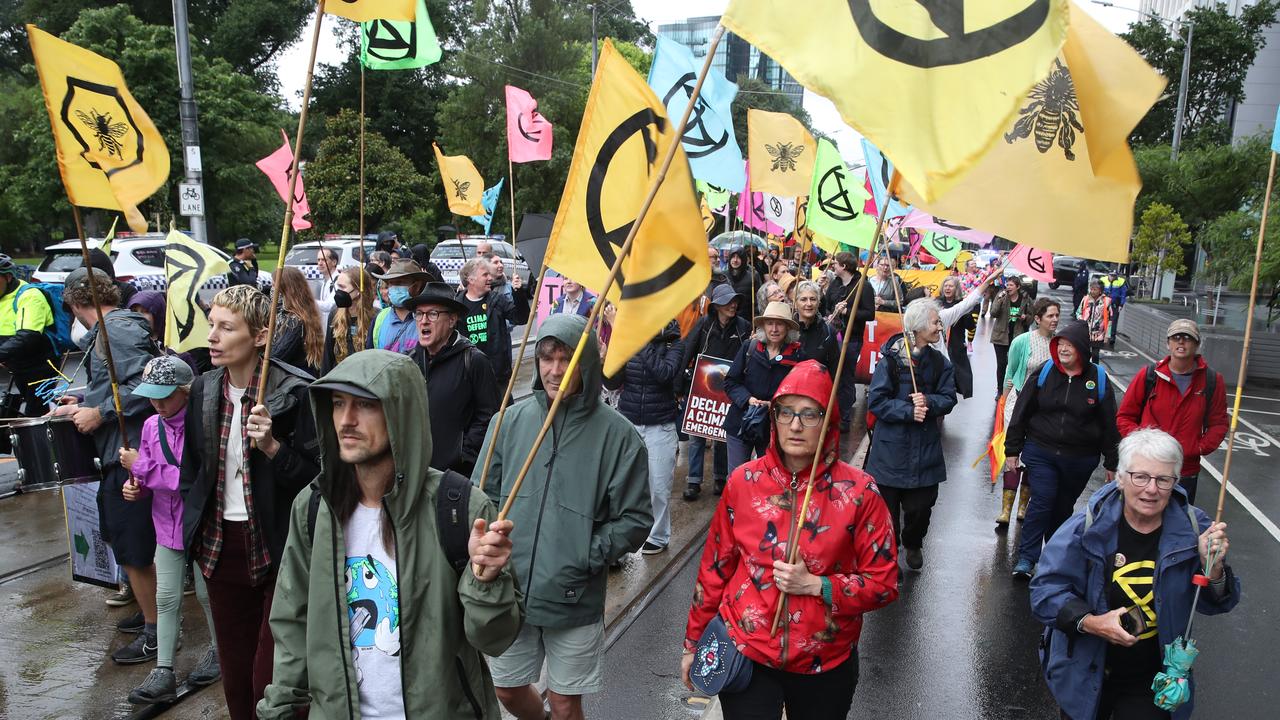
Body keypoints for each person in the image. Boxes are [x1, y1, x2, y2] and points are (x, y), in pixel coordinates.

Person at [258, 350, 523, 719]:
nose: (346, 421)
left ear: (401, 412)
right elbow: (291, 622)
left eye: (365, 405)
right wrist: (280, 708)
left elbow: (495, 639)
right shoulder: (314, 508)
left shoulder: (458, 507)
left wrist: (486, 582)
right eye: (337, 404)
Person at [681, 360, 899, 719]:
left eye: (809, 414)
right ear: (774, 418)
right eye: (785, 413)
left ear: (828, 420)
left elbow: (884, 583)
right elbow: (714, 569)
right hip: (748, 652)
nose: (795, 425)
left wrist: (817, 585)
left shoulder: (861, 493)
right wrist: (693, 643)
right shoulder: (743, 482)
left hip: (826, 662)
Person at [477, 313, 651, 720]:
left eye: (567, 359)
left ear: (586, 363)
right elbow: (481, 496)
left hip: (574, 597)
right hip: (511, 591)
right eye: (547, 358)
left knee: (565, 702)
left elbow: (635, 519)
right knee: (505, 689)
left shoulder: (620, 437)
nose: (555, 370)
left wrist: (585, 555)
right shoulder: (509, 421)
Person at [179, 285, 320, 719]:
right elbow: (193, 471)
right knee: (236, 675)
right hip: (221, 549)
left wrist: (275, 448)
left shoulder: (298, 392)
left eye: (226, 327)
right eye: (212, 326)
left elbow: (320, 479)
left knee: (271, 677)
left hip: (279, 550)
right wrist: (195, 532)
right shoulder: (203, 389)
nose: (213, 337)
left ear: (260, 336)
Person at [1030, 429, 1239, 720]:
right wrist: (1091, 622)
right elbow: (1045, 591)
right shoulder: (1086, 527)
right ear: (1120, 477)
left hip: (1152, 679)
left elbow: (1216, 603)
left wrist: (1213, 567)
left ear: (1175, 482)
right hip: (1087, 670)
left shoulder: (1195, 529)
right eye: (1140, 477)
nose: (1151, 489)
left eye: (1163, 479)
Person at [53, 267, 158, 662]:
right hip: (117, 450)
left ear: (76, 303)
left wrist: (99, 412)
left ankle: (157, 634)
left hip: (130, 454)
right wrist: (84, 403)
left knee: (133, 547)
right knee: (122, 538)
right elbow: (116, 384)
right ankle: (153, 616)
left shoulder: (117, 330)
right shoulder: (111, 329)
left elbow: (147, 387)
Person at [119, 356, 220, 704]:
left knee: (208, 595)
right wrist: (135, 487)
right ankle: (163, 669)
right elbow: (148, 482)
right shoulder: (150, 427)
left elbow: (194, 481)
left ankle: (220, 651)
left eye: (166, 396)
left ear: (185, 392)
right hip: (166, 526)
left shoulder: (203, 423)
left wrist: (142, 468)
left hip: (202, 524)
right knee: (166, 597)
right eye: (152, 397)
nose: (158, 404)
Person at [1004, 320, 1120, 580]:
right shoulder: (1045, 373)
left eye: (1070, 345)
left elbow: (1109, 424)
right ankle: (1027, 558)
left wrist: (1112, 462)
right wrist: (1012, 449)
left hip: (1079, 458)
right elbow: (1021, 412)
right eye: (1061, 344)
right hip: (1041, 451)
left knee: (1062, 507)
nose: (1064, 349)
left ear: (1082, 349)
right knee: (1042, 501)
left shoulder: (1098, 379)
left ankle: (1053, 558)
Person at [864, 298, 957, 570]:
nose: (940, 327)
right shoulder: (891, 360)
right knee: (887, 515)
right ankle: (890, 561)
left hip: (924, 453)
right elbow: (877, 402)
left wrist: (927, 401)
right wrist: (907, 410)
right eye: (935, 322)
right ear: (917, 327)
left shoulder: (940, 363)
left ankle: (914, 542)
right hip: (890, 453)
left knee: (920, 510)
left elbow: (949, 398)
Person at [1116, 319, 1228, 506]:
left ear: (1197, 344)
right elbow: (1125, 416)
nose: (1181, 342)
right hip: (1146, 468)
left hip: (1185, 470)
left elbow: (1219, 423)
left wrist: (1198, 448)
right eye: (1176, 337)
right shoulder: (1149, 375)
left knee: (1177, 524)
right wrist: (1141, 445)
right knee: (1140, 519)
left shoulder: (1212, 380)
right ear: (1168, 343)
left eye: (1188, 338)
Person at [407, 282, 499, 474]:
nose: (424, 321)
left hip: (455, 475)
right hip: (415, 471)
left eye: (433, 314)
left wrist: (463, 455)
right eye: (419, 314)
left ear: (451, 320)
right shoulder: (409, 362)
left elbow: (488, 416)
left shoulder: (474, 360)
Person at [612, 319, 683, 555]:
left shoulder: (675, 345)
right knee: (623, 484)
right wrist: (607, 358)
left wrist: (637, 340)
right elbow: (612, 381)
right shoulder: (629, 341)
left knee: (658, 486)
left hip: (660, 426)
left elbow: (664, 374)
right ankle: (620, 541)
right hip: (630, 422)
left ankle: (659, 535)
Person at [680, 284, 750, 500]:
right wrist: (680, 387)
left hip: (729, 389)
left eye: (735, 301)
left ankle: (720, 478)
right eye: (729, 301)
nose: (733, 305)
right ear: (717, 305)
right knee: (697, 436)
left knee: (722, 435)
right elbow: (687, 351)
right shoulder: (703, 325)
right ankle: (693, 481)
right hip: (702, 388)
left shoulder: (744, 327)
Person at [998, 297, 1061, 526]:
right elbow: (1010, 372)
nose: (1054, 320)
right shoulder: (1022, 341)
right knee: (1012, 453)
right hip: (1018, 403)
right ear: (1038, 319)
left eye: (1056, 315)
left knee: (1033, 457)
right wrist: (1004, 401)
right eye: (1050, 316)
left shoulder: (1059, 345)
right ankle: (1005, 509)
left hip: (1043, 409)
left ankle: (1023, 507)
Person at [724, 302, 805, 471]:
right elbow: (731, 382)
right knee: (737, 478)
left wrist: (775, 405)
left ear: (788, 328)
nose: (774, 329)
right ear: (763, 326)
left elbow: (800, 394)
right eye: (769, 323)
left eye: (780, 324)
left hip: (774, 428)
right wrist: (748, 400)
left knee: (768, 479)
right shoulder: (750, 347)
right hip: (740, 422)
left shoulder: (797, 356)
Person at [821, 251, 875, 433]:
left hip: (851, 338)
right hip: (832, 336)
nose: (833, 266)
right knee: (829, 374)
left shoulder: (863, 286)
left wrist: (847, 311)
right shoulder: (835, 283)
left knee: (845, 377)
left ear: (844, 266)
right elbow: (826, 306)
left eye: (835, 263)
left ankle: (844, 418)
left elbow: (869, 314)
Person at [456, 257, 531, 391]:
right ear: (470, 279)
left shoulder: (497, 301)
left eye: (489, 274)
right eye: (485, 275)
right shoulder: (456, 306)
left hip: (497, 375)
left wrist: (518, 293)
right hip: (469, 375)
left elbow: (521, 318)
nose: (490, 278)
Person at [0, 253, 58, 416]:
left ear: (8, 277)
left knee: (38, 416)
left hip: (40, 368)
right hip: (18, 366)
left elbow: (27, 337)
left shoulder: (29, 295)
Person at [935, 273, 991, 400]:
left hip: (955, 346)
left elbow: (970, 326)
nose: (947, 288)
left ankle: (946, 398)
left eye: (951, 286)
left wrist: (965, 313)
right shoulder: (937, 302)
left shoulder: (962, 304)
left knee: (954, 377)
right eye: (946, 285)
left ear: (956, 289)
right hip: (939, 345)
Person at [321, 265, 377, 374]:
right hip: (338, 380)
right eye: (338, 287)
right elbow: (327, 355)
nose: (339, 292)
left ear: (358, 290)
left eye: (343, 287)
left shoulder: (375, 317)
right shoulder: (335, 314)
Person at [369, 259, 431, 355]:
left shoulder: (428, 318)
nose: (394, 287)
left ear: (417, 286)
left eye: (400, 282)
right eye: (391, 283)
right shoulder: (380, 318)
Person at [270, 267, 323, 376]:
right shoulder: (284, 314)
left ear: (285, 289)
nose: (271, 289)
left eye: (274, 286)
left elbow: (277, 357)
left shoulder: (295, 320)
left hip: (295, 378)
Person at [989, 275, 1034, 397]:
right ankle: (1000, 390)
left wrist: (1026, 318)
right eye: (1007, 285)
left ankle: (1014, 389)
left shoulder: (1025, 299)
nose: (1008, 287)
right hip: (1001, 336)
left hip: (1018, 336)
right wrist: (998, 299)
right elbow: (993, 313)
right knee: (1002, 364)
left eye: (1011, 285)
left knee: (1015, 364)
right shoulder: (1002, 297)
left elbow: (1032, 317)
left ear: (1018, 287)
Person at [794, 280, 839, 376]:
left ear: (818, 303)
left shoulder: (828, 331)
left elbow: (835, 369)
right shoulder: (787, 328)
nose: (809, 304)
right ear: (795, 303)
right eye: (803, 299)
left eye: (813, 299)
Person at [1077, 278, 1112, 364]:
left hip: (1098, 334)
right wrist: (1081, 320)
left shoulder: (1106, 301)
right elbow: (1078, 312)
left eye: (1094, 289)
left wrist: (1107, 335)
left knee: (1095, 355)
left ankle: (1095, 371)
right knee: (1084, 354)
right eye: (1091, 289)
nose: (1092, 291)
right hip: (1085, 332)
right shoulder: (1085, 299)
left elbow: (1110, 318)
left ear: (1100, 291)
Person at [726, 249, 760, 316]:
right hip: (726, 319)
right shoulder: (723, 276)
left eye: (738, 257)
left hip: (746, 320)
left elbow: (757, 301)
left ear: (743, 259)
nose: (735, 260)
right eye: (733, 257)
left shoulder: (752, 277)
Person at [1101, 269, 1128, 346]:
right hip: (1104, 303)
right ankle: (1102, 335)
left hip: (1114, 304)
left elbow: (1123, 295)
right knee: (1102, 319)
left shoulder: (1121, 282)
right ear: (1108, 274)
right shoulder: (1103, 280)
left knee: (1113, 321)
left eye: (1114, 275)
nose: (1112, 277)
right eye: (1111, 275)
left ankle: (1112, 337)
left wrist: (1121, 305)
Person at [314, 246, 341, 320]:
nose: (320, 263)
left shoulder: (339, 281)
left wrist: (309, 300)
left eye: (324, 260)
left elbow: (330, 306)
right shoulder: (324, 281)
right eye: (318, 260)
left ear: (334, 262)